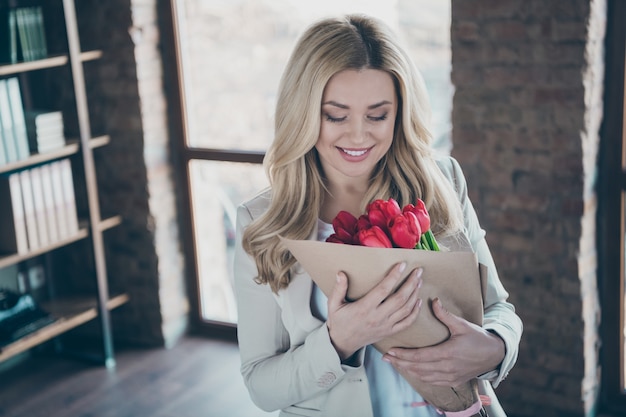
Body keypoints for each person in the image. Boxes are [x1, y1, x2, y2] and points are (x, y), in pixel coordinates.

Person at [233, 14, 522, 417]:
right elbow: (260, 384)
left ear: (399, 112)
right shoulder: (260, 221)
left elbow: (498, 310)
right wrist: (339, 341)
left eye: (377, 115)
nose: (357, 136)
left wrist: (495, 347)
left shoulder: (443, 182)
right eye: (335, 115)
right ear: (302, 113)